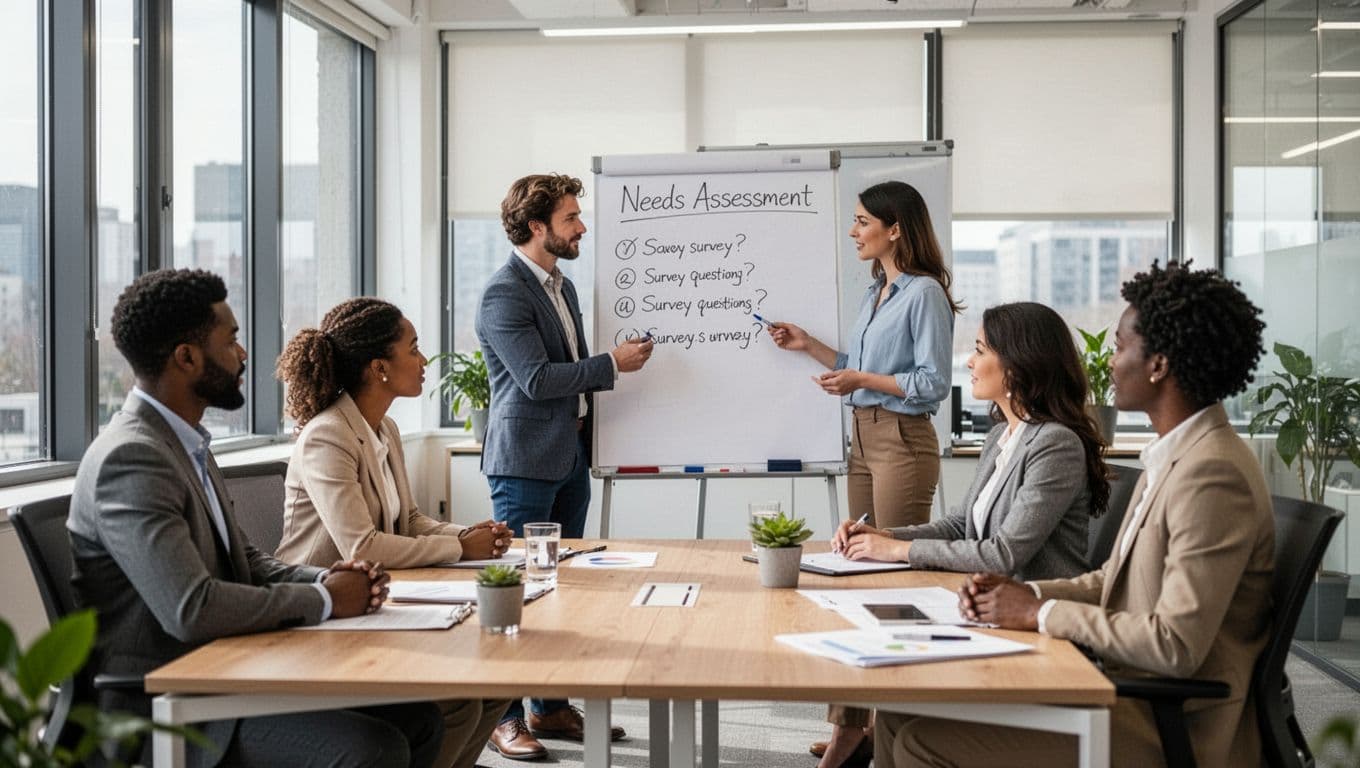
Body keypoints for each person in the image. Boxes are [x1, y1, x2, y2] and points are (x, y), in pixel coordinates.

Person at [877, 262, 1274, 767]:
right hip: (1122, 685)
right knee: (893, 714)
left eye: (1121, 347)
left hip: (1165, 721)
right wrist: (1027, 594)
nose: (1108, 363)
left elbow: (1175, 646)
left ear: (1159, 364)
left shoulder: (1212, 474)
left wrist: (1038, 613)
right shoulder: (1176, 457)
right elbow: (1114, 579)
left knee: (920, 742)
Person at [68, 269, 442, 768]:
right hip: (172, 701)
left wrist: (328, 576)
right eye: (232, 340)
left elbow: (244, 560)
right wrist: (325, 598)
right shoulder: (132, 458)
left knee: (420, 717)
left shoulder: (185, 443)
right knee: (375, 748)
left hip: (228, 666)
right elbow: (191, 607)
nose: (244, 354)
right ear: (186, 357)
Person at [274, 297, 513, 768]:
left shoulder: (384, 430)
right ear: (380, 367)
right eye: (414, 349)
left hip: (378, 600)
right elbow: (360, 545)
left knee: (498, 683)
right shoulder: (328, 435)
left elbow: (408, 521)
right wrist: (458, 548)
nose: (424, 361)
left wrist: (468, 534)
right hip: (326, 609)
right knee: (459, 704)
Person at [768, 180, 960, 768]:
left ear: (894, 227)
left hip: (902, 440)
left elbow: (931, 383)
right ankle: (853, 726)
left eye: (861, 221)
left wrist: (860, 382)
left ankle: (869, 730)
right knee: (855, 570)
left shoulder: (923, 293)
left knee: (891, 582)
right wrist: (812, 348)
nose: (854, 231)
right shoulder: (879, 291)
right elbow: (861, 366)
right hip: (864, 436)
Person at [475, 173, 650, 759]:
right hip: (523, 462)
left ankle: (547, 708)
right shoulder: (505, 293)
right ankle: (501, 718)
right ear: (536, 227)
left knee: (558, 590)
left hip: (570, 455)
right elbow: (536, 380)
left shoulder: (564, 288)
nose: (582, 227)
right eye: (572, 218)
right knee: (515, 588)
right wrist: (612, 363)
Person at [835, 301, 1107, 579]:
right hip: (988, 600)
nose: (970, 361)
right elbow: (958, 525)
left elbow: (1003, 554)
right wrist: (886, 535)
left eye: (980, 350)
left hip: (1034, 607)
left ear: (1017, 365)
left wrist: (896, 551)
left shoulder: (1056, 445)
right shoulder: (1000, 437)